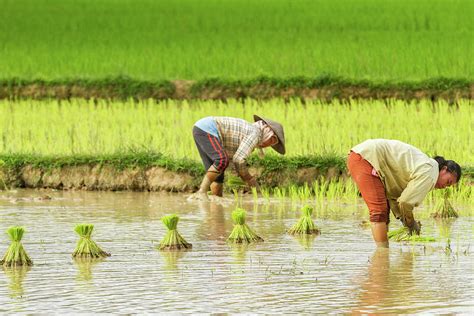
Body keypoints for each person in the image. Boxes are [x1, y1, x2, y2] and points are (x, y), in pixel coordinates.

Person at [347, 139, 461, 247]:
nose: (444, 186)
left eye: (448, 186)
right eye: (448, 181)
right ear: (444, 169)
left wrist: (405, 220)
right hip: (367, 159)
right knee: (379, 212)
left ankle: (382, 252)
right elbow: (405, 202)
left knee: (384, 214)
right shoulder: (430, 173)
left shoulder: (426, 168)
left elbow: (396, 199)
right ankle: (382, 254)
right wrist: (411, 224)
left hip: (362, 156)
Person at [190, 115, 285, 200]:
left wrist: (242, 177)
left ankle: (216, 204)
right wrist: (248, 178)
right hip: (207, 129)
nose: (269, 145)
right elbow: (239, 160)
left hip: (200, 129)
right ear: (268, 132)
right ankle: (202, 191)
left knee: (219, 175)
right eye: (272, 140)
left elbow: (234, 160)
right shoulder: (255, 133)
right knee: (221, 160)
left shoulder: (250, 132)